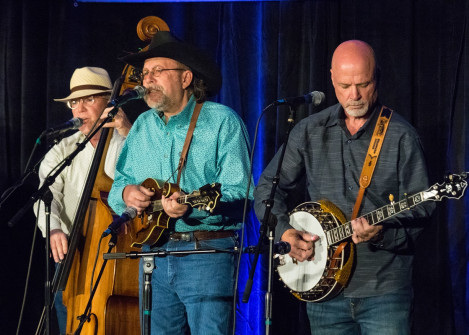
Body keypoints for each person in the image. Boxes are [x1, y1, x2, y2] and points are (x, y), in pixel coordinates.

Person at [253, 40, 435, 335]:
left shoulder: (402, 136)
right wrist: (286, 230)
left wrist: (381, 235)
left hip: (383, 290)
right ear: (331, 79)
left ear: (376, 78)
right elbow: (267, 192)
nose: (354, 95)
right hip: (323, 291)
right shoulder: (309, 131)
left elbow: (424, 207)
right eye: (344, 85)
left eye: (363, 84)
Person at [107, 31, 253, 335]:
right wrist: (126, 193)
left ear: (186, 78)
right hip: (153, 257)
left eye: (157, 71)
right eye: (145, 73)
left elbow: (241, 191)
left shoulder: (221, 121)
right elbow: (120, 181)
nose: (147, 80)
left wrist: (190, 206)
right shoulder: (143, 126)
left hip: (207, 254)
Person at [34, 66, 131, 334]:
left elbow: (153, 171)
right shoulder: (62, 150)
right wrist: (53, 228)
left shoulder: (130, 140)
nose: (80, 108)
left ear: (110, 101)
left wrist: (128, 131)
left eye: (89, 99)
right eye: (75, 102)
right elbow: (46, 197)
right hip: (73, 256)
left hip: (119, 252)